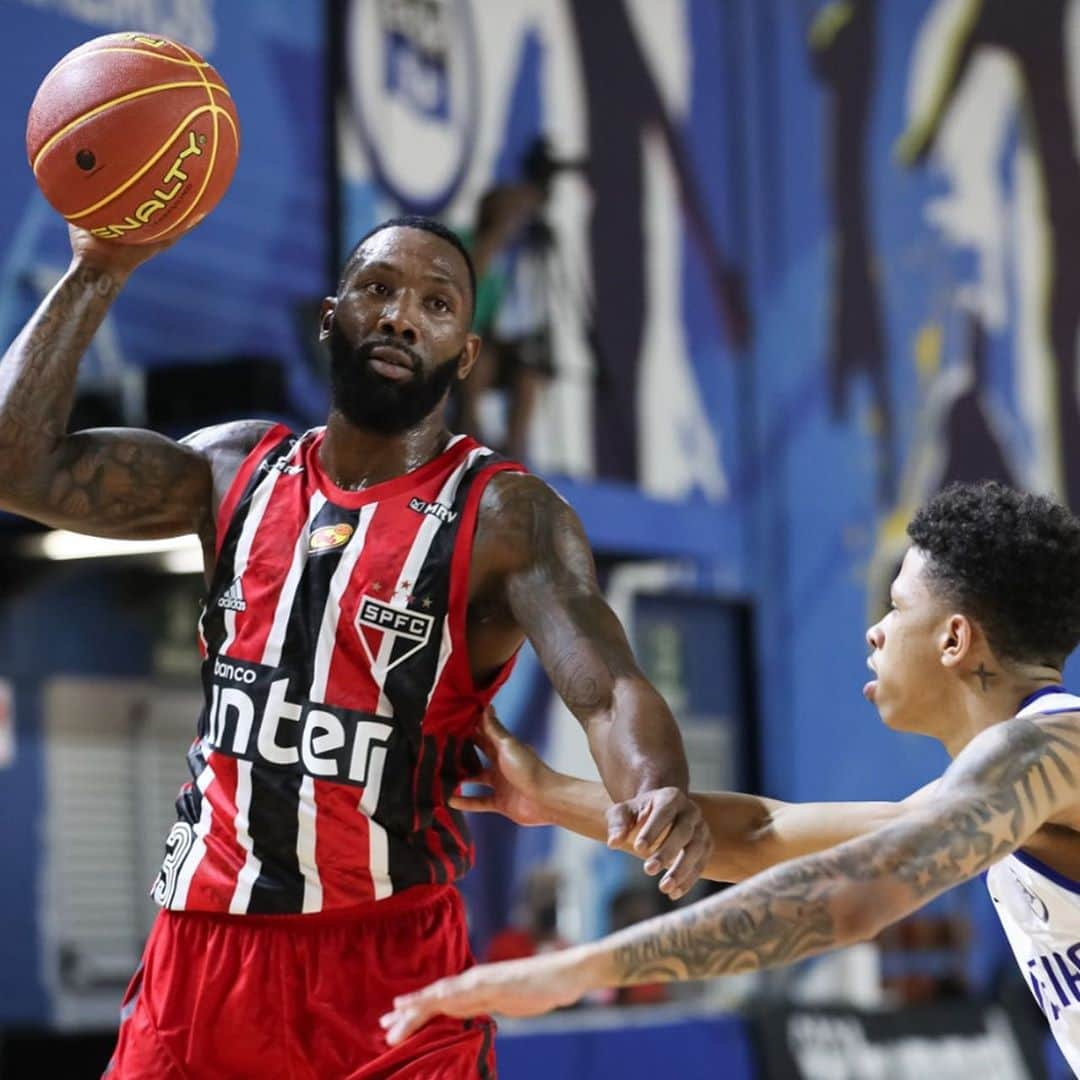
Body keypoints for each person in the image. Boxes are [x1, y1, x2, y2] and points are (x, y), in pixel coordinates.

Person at [0, 216, 712, 1078]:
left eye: (436, 303)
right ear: (330, 316)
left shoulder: (504, 517)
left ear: (466, 351)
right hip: (205, 952)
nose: (401, 316)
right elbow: (17, 467)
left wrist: (655, 788)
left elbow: (608, 690)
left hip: (389, 965)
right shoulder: (233, 470)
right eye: (377, 289)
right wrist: (97, 269)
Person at [380, 481, 1080, 1074]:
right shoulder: (1001, 786)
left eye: (896, 608)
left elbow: (851, 894)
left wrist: (575, 970)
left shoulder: (1045, 747)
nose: (875, 632)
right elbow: (763, 833)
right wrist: (549, 794)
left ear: (954, 639)